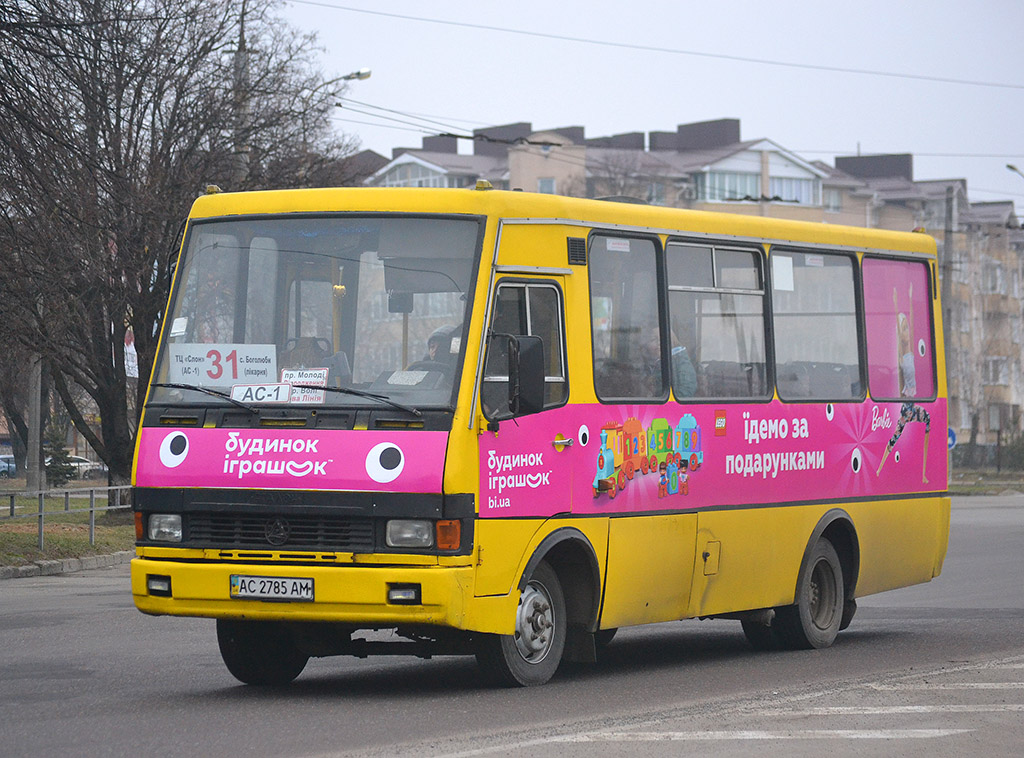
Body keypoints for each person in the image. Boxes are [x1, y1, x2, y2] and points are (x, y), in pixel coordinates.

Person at [876, 283, 930, 483]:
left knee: (928, 421)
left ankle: (923, 473)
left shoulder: (910, 353)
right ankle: (880, 469)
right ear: (899, 334)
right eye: (903, 329)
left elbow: (913, 321)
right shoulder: (900, 356)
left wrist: (908, 298)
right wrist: (896, 303)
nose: (907, 332)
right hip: (906, 407)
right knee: (893, 440)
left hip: (912, 406)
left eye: (907, 328)